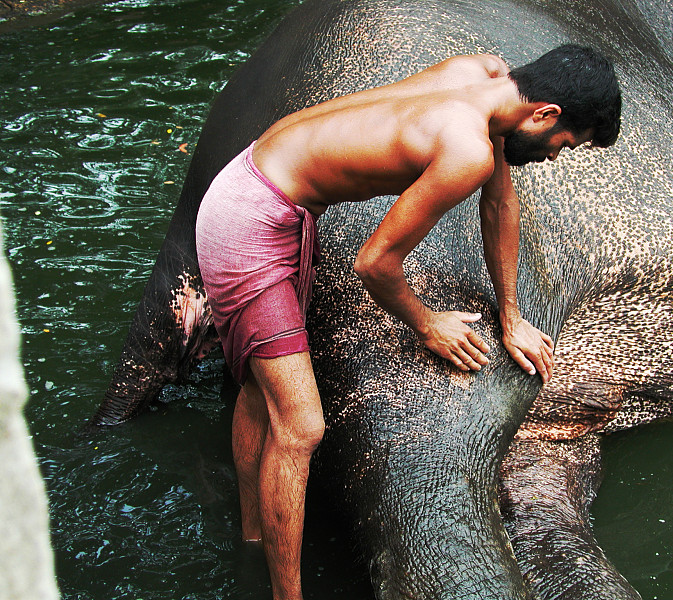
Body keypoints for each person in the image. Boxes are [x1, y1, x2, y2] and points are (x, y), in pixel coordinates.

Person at [195, 44, 621, 600]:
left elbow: (499, 206)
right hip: (253, 221)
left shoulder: (484, 77)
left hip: (254, 180)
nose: (553, 157)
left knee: (261, 392)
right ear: (544, 114)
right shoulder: (467, 149)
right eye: (563, 145)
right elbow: (374, 263)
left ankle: (254, 542)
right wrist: (428, 324)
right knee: (302, 426)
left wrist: (511, 316)